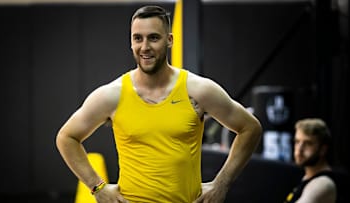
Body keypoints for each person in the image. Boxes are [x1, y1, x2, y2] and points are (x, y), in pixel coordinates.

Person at [56, 5, 262, 203]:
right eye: (138, 38)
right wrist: (97, 187)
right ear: (131, 42)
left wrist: (222, 184)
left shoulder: (198, 90)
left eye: (153, 38)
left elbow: (250, 128)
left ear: (169, 40)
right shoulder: (112, 95)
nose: (145, 47)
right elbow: (66, 137)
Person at [284, 118, 337, 203]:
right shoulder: (308, 176)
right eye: (297, 142)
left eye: (308, 143)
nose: (299, 149)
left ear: (323, 149)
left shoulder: (323, 183)